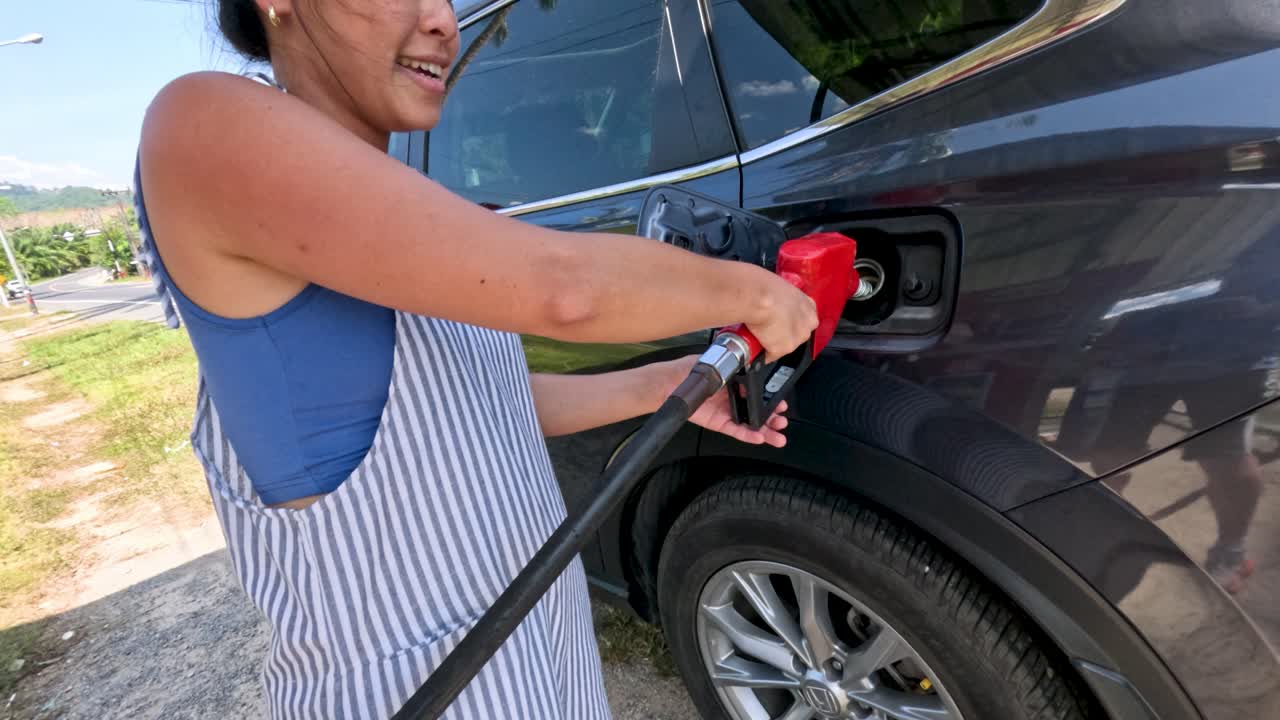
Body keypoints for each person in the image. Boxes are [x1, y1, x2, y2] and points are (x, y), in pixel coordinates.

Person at [133, 0, 818, 717]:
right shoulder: (201, 120)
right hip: (412, 689)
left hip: (544, 663)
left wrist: (666, 384)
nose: (443, 20)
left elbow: (473, 402)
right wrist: (758, 292)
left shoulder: (420, 207)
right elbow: (564, 289)